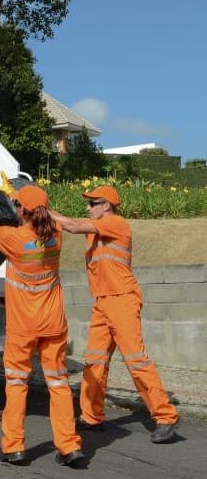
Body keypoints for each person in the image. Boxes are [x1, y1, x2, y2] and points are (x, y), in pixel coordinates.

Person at [0, 173, 84, 466]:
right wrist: (20, 196)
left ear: (22, 211)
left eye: (18, 206)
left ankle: (14, 447)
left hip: (24, 327)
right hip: (54, 324)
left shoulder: (14, 239)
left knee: (17, 383)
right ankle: (69, 446)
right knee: (59, 384)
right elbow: (49, 218)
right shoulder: (56, 237)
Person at [49, 185, 180, 443]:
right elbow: (71, 225)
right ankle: (92, 416)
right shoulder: (97, 230)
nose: (88, 207)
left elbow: (73, 226)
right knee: (94, 361)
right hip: (103, 303)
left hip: (122, 300)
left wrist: (43, 209)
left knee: (136, 360)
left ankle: (166, 416)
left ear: (106, 205)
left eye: (92, 203)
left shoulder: (115, 222)